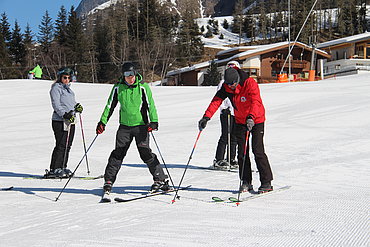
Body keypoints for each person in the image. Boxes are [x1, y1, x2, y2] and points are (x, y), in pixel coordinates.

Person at [96, 62, 169, 195]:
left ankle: (160, 179)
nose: (130, 77)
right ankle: (108, 181)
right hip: (124, 127)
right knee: (118, 153)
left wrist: (154, 121)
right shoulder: (118, 88)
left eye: (132, 74)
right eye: (127, 75)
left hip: (141, 127)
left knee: (145, 153)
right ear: (123, 76)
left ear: (135, 73)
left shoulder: (143, 87)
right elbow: (109, 106)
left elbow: (151, 104)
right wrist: (102, 122)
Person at [198, 65, 273, 193]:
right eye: (229, 84)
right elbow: (216, 101)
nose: (232, 86)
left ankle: (266, 182)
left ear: (237, 79)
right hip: (240, 120)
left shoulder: (249, 82)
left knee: (258, 150)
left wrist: (251, 117)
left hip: (256, 119)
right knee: (242, 153)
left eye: (234, 83)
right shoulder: (226, 87)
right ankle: (246, 181)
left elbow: (256, 101)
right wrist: (206, 117)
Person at [46, 67, 83, 178]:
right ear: (60, 77)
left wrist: (76, 106)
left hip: (70, 121)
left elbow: (70, 103)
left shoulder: (69, 90)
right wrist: (65, 115)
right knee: (61, 145)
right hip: (59, 121)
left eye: (68, 78)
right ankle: (54, 168)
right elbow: (56, 105)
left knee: (68, 145)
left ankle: (62, 166)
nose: (67, 79)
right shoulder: (56, 88)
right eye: (64, 77)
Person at [213, 61, 240, 170]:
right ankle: (219, 159)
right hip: (226, 113)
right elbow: (219, 97)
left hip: (235, 113)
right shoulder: (223, 83)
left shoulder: (238, 83)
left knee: (234, 136)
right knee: (225, 135)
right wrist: (224, 108)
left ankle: (231, 158)